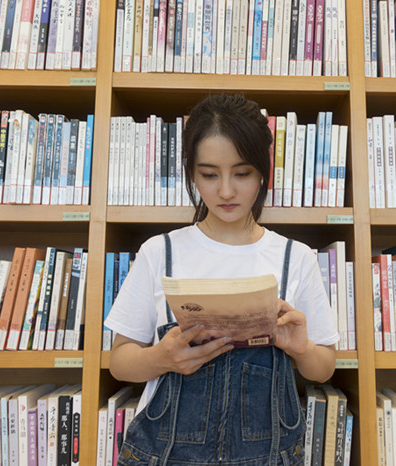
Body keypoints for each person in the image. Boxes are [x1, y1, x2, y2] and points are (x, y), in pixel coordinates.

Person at [106, 94, 339, 466]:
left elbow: (324, 367)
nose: (226, 191)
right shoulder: (159, 252)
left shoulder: (294, 257)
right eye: (209, 175)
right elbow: (120, 361)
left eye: (242, 173)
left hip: (270, 456)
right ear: (192, 172)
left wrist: (301, 349)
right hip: (164, 455)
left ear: (263, 172)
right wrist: (161, 358)